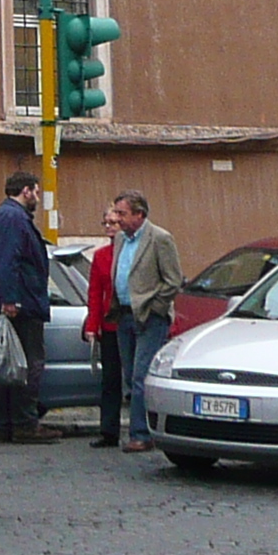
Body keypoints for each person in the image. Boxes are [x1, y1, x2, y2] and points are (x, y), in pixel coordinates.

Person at [0, 172, 52, 443]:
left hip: (15, 302)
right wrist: (10, 299)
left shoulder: (7, 216)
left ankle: (7, 426)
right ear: (27, 191)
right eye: (37, 192)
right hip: (20, 306)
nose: (38, 199)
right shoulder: (12, 218)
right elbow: (7, 261)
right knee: (24, 365)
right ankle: (22, 424)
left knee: (6, 365)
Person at [106, 192, 185, 454]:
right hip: (124, 314)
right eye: (116, 213)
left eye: (122, 213)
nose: (117, 218)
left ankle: (141, 433)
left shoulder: (159, 239)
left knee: (141, 376)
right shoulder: (120, 239)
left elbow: (173, 280)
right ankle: (141, 429)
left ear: (139, 215)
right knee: (129, 376)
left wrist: (156, 307)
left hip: (149, 316)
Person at [84, 232, 123, 445]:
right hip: (110, 325)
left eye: (114, 223)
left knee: (137, 378)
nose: (110, 229)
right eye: (107, 223)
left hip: (135, 324)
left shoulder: (135, 253)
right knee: (110, 379)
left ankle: (142, 431)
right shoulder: (101, 256)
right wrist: (92, 326)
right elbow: (95, 294)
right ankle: (109, 431)